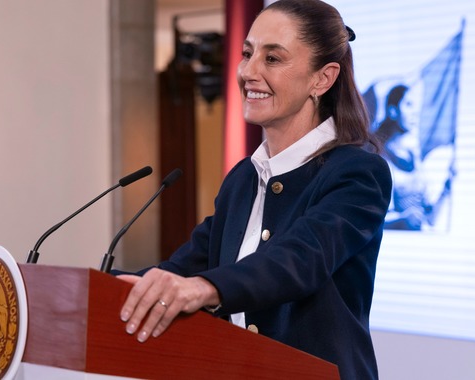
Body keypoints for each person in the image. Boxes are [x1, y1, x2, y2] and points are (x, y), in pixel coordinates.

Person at [116, 1, 392, 378]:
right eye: (247, 53)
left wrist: (204, 288)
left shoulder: (358, 173)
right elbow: (184, 269)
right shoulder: (244, 178)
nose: (248, 71)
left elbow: (298, 261)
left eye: (272, 59)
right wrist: (92, 289)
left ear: (322, 79)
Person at [374, 81, 454, 231]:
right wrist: (402, 219)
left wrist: (446, 188)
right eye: (409, 104)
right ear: (393, 111)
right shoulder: (379, 158)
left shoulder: (413, 157)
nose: (415, 112)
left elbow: (430, 219)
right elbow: (372, 220)